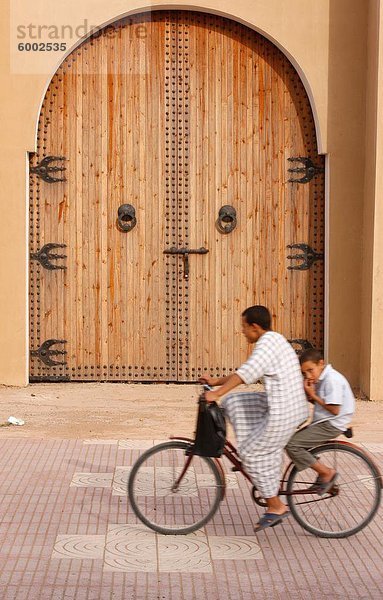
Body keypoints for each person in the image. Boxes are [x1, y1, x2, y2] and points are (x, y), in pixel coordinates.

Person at [200, 305, 309, 532]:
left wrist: (216, 394)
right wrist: (216, 382)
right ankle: (265, 457)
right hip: (280, 402)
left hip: (284, 410)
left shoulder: (267, 345)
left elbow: (245, 374)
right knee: (234, 402)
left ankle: (276, 506)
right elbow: (245, 370)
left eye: (244, 327)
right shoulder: (273, 340)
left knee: (249, 451)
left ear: (255, 327)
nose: (242, 332)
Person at [285, 348, 355, 494]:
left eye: (311, 370)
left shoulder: (332, 379)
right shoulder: (323, 378)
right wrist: (309, 396)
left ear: (321, 363)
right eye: (305, 373)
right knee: (290, 439)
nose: (309, 375)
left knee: (292, 445)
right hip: (324, 421)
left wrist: (313, 395)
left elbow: (334, 409)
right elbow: (323, 405)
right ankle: (319, 470)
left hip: (332, 423)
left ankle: (326, 473)